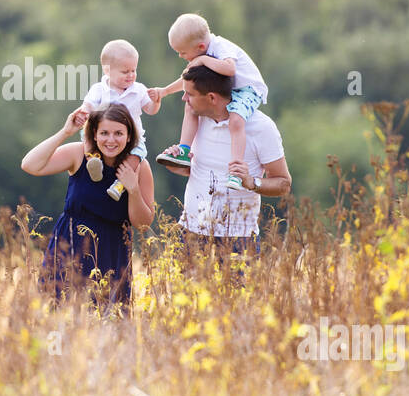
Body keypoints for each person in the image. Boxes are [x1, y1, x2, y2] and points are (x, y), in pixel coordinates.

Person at [21, 102, 155, 306]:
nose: (111, 140)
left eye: (118, 133)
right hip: (69, 244)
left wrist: (133, 189)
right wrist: (65, 132)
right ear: (94, 133)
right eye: (104, 133)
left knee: (106, 320)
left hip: (112, 251)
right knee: (57, 312)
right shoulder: (79, 154)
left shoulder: (139, 166)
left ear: (129, 136)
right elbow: (30, 165)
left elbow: (144, 224)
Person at [158, 63, 290, 256]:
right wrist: (177, 164)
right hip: (190, 233)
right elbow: (196, 171)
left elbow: (284, 184)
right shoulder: (197, 120)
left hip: (239, 240)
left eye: (190, 94)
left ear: (211, 97)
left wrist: (251, 182)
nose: (184, 98)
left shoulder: (261, 127)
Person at [150, 13, 269, 191]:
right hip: (227, 89)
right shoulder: (202, 53)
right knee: (190, 105)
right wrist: (165, 91)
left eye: (182, 52)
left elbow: (230, 69)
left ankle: (236, 171)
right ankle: (184, 150)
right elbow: (188, 79)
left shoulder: (220, 47)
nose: (181, 56)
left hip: (247, 90)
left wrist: (204, 60)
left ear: (200, 46)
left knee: (236, 120)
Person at [76, 39, 161, 201]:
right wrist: (83, 112)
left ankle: (120, 184)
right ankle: (93, 162)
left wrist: (156, 101)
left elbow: (150, 110)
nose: (130, 75)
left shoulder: (138, 90)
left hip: (131, 137)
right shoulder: (99, 89)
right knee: (86, 136)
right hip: (102, 133)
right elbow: (88, 104)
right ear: (107, 71)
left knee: (136, 155)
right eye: (125, 72)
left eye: (133, 70)